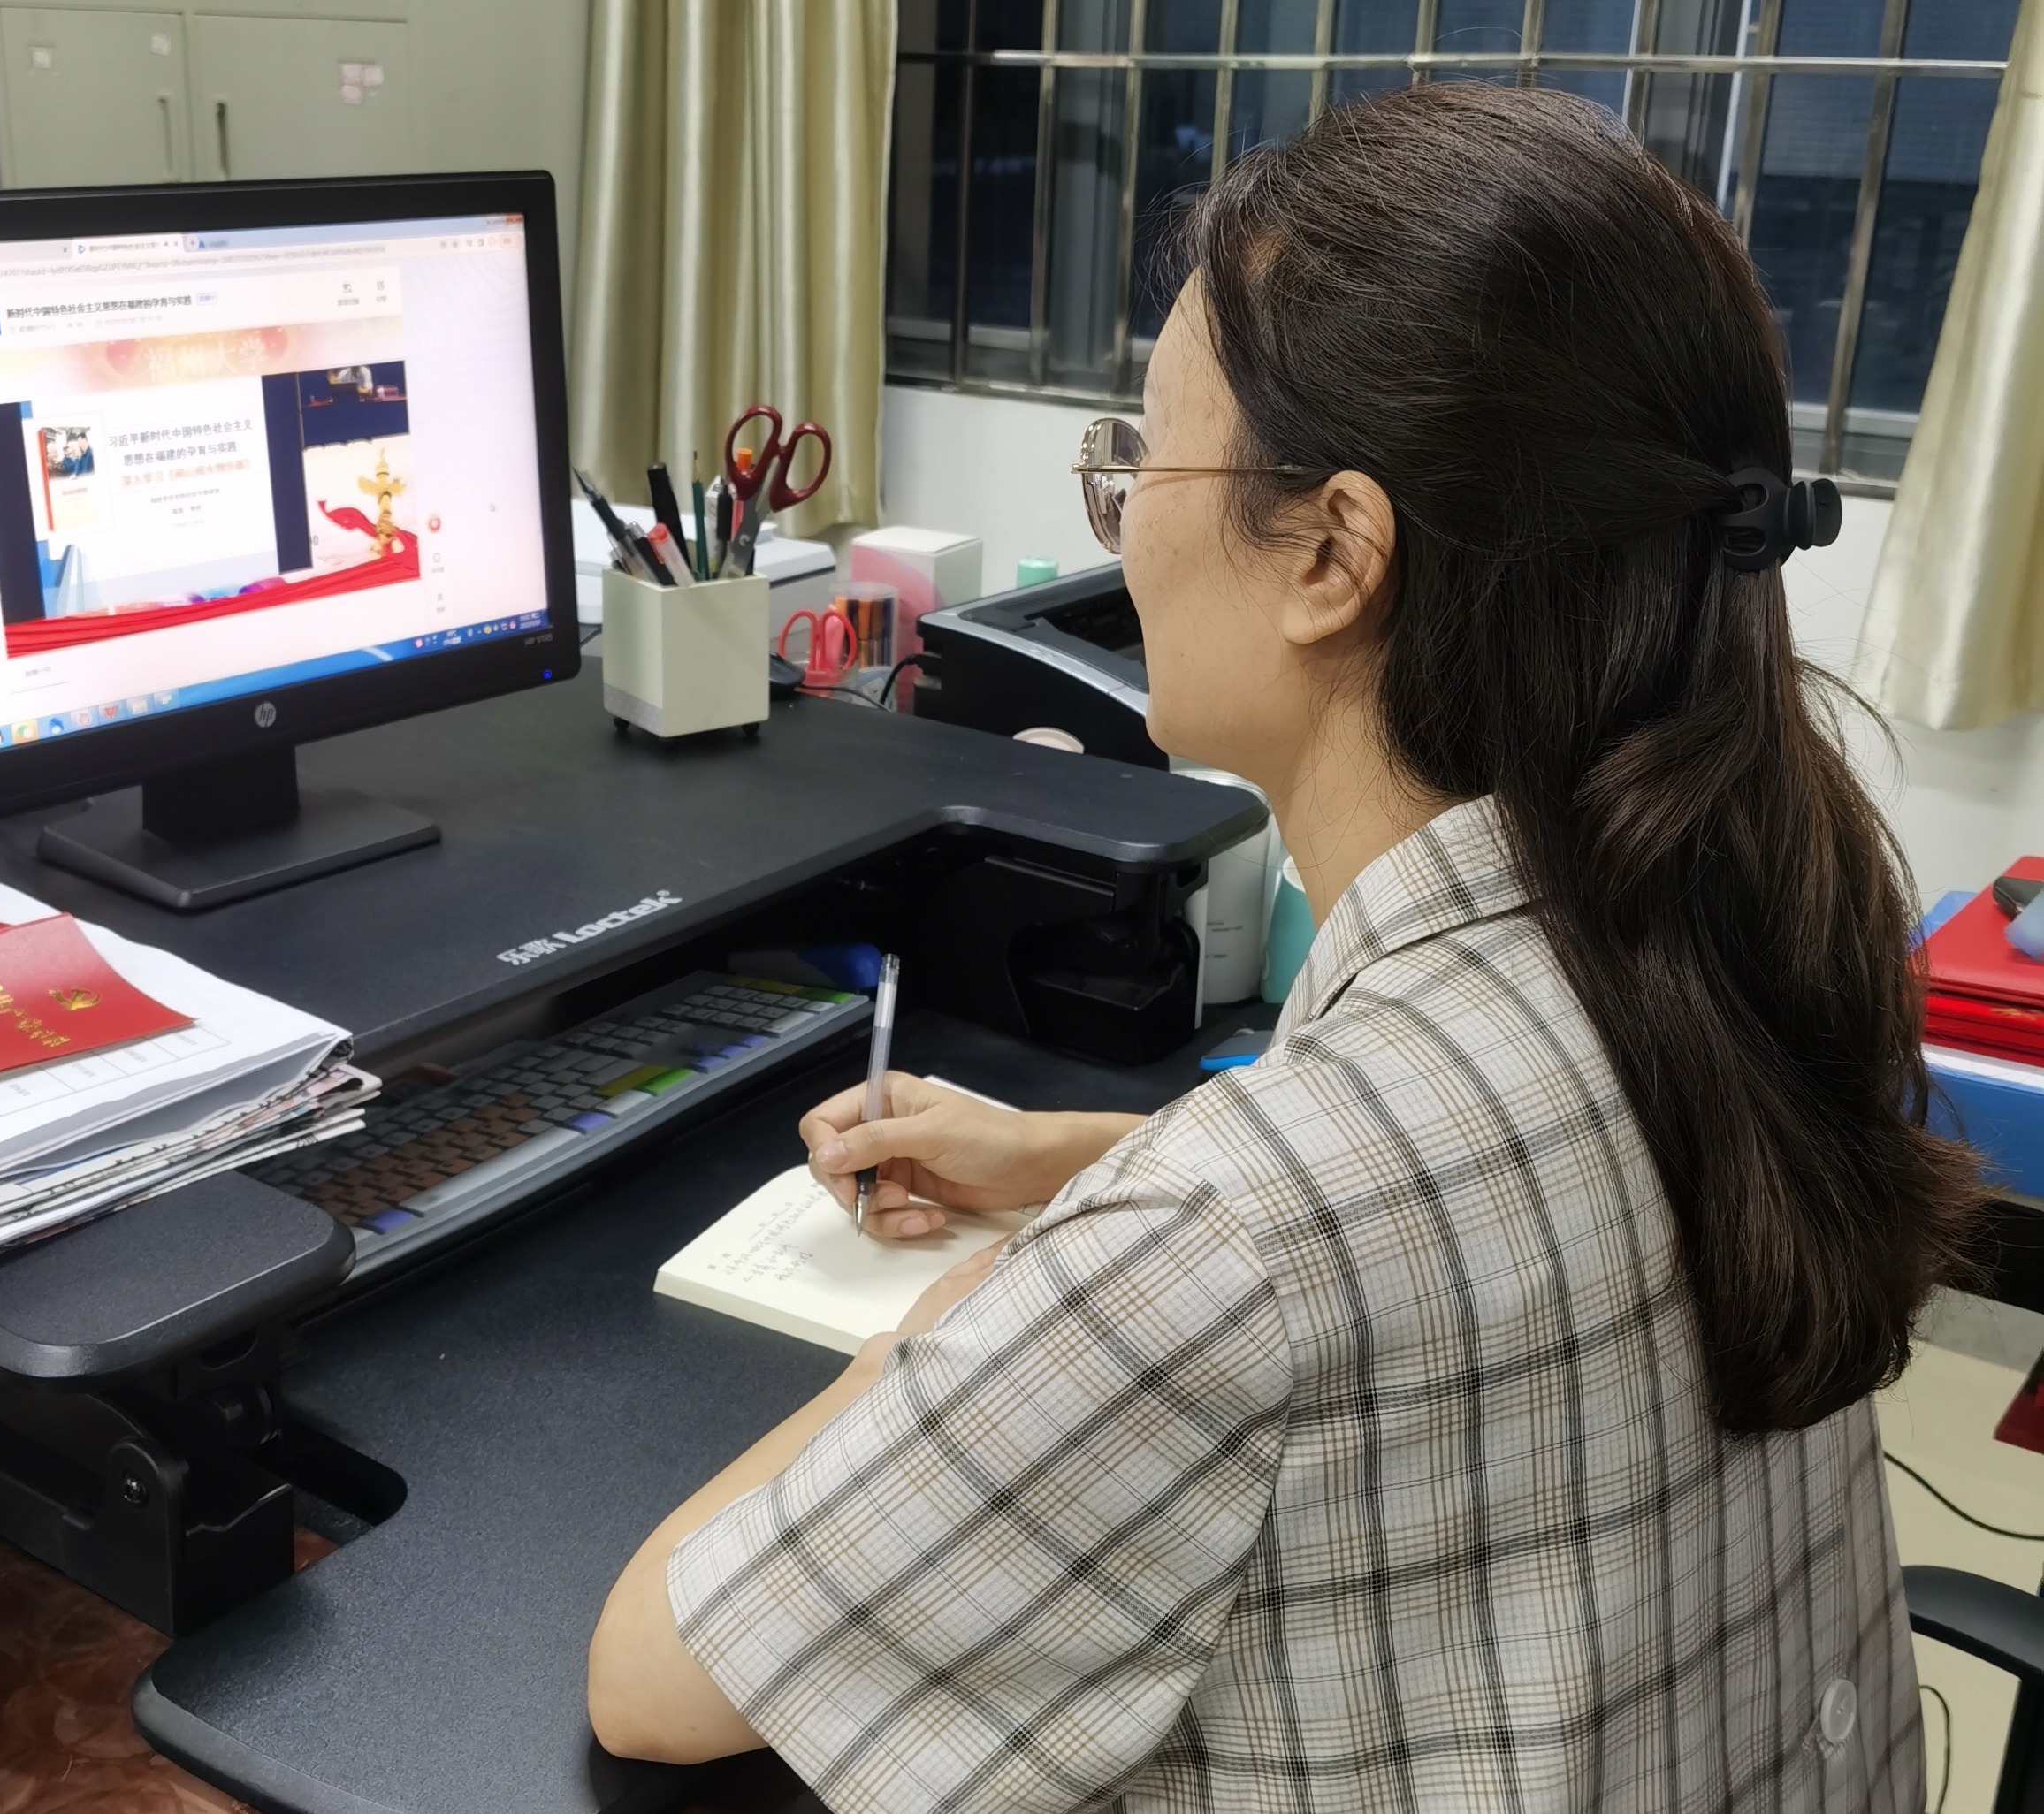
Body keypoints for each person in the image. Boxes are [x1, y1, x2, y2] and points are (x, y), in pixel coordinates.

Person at [588, 80, 1979, 1812]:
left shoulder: (1223, 1247)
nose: (1120, 521)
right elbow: (1465, 1199)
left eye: (1138, 463)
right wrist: (1082, 1158)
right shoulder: (1715, 931)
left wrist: (962, 1339)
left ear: (1334, 551)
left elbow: (656, 1675)